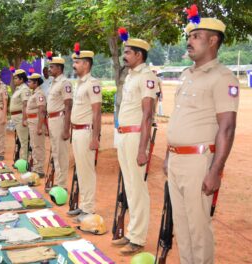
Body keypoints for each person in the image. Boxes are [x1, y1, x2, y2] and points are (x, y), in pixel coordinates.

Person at [164, 16, 239, 263]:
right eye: (189, 36)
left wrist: (215, 170)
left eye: (196, 36)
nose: (189, 41)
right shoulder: (187, 75)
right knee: (182, 228)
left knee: (198, 229)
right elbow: (178, 118)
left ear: (213, 40)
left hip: (198, 162)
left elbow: (227, 128)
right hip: (176, 159)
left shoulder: (222, 77)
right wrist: (168, 155)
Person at [111, 37, 159, 255]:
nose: (124, 55)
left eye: (128, 52)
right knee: (129, 186)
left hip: (136, 137)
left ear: (139, 55)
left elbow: (148, 114)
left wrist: (143, 148)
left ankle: (138, 239)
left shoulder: (146, 77)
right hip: (124, 136)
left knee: (137, 188)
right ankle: (132, 232)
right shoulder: (131, 77)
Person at [67, 47, 102, 222]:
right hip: (77, 131)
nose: (74, 65)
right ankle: (83, 205)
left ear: (86, 64)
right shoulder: (80, 83)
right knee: (80, 171)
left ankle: (88, 208)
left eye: (77, 62)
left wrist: (95, 137)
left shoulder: (92, 83)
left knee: (87, 171)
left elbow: (97, 112)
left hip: (86, 132)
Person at [47, 57, 72, 189]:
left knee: (61, 153)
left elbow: (68, 106)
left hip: (60, 120)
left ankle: (61, 184)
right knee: (56, 152)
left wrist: (66, 129)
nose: (49, 69)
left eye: (52, 67)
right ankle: (58, 181)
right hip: (52, 119)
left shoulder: (64, 83)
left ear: (59, 68)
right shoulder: (54, 83)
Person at [26, 72, 47, 177]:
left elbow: (42, 110)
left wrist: (39, 127)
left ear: (36, 83)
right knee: (34, 145)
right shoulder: (34, 93)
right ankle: (36, 167)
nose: (28, 83)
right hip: (32, 121)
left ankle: (39, 169)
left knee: (38, 145)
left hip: (36, 121)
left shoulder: (40, 94)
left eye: (30, 81)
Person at [9, 69, 30, 161]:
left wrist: (25, 119)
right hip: (16, 117)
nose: (14, 80)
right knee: (20, 140)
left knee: (24, 141)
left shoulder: (24, 89)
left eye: (16, 78)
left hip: (20, 116)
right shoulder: (18, 89)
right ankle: (21, 160)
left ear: (21, 79)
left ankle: (23, 163)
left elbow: (26, 104)